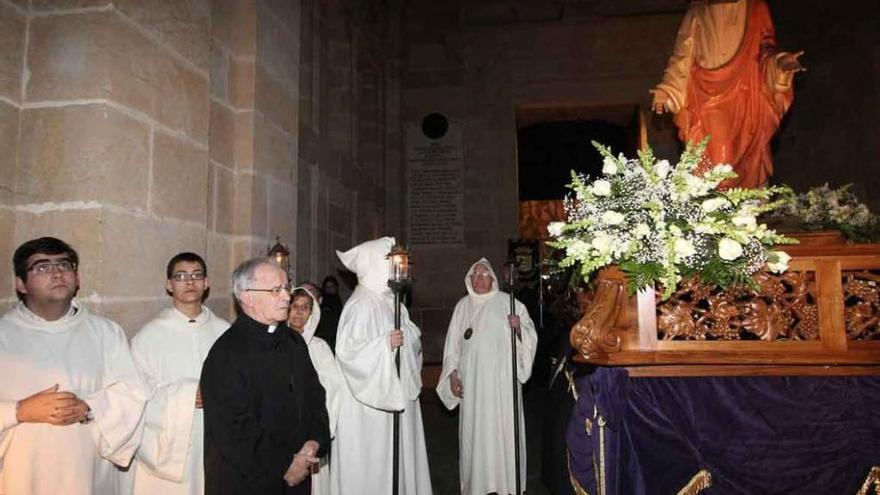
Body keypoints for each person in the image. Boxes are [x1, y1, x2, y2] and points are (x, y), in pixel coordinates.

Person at [0, 236, 148, 494]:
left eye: (65, 265)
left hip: (87, 474)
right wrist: (19, 411)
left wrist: (89, 408)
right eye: (42, 266)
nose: (57, 272)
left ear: (77, 278)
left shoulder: (105, 333)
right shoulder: (3, 334)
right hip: (21, 474)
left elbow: (132, 393)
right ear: (21, 284)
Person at [200, 258, 330, 495]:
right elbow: (234, 429)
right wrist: (285, 465)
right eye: (275, 290)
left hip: (298, 474)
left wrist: (314, 442)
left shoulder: (294, 342)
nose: (286, 297)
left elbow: (315, 395)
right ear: (247, 297)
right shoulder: (226, 353)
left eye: (286, 288)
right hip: (250, 481)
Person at [649, 0, 805, 189]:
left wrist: (779, 64)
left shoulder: (755, 7)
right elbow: (682, 56)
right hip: (707, 96)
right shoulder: (697, 11)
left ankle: (743, 209)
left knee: (749, 160)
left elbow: (766, 49)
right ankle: (717, 212)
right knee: (719, 166)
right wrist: (667, 89)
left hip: (747, 93)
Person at [331, 237, 432, 495]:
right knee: (374, 464)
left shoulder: (392, 302)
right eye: (390, 263)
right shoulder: (360, 304)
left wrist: (406, 339)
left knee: (397, 461)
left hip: (396, 395)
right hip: (368, 410)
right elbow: (348, 353)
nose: (395, 270)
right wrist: (383, 345)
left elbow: (413, 339)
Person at [128, 252, 231, 495]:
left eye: (196, 275)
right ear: (169, 284)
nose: (189, 282)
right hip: (168, 445)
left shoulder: (225, 332)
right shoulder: (149, 336)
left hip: (215, 439)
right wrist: (185, 398)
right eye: (181, 276)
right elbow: (134, 396)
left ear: (206, 283)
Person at [437, 258, 538, 495]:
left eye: (484, 274)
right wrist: (453, 376)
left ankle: (507, 484)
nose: (479, 278)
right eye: (475, 274)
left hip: (502, 385)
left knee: (504, 431)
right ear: (469, 279)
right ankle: (478, 484)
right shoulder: (462, 306)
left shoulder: (509, 303)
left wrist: (519, 329)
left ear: (493, 279)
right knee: (476, 435)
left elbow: (531, 337)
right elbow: (452, 347)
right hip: (473, 386)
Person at [287, 288, 343, 495]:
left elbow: (332, 386)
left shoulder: (319, 347)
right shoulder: (274, 344)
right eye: (294, 306)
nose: (299, 312)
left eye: (305, 307)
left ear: (313, 312)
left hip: (311, 425)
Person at [315, 275, 343, 353]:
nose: (329, 289)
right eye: (327, 287)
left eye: (332, 286)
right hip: (324, 338)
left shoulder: (337, 301)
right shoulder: (323, 302)